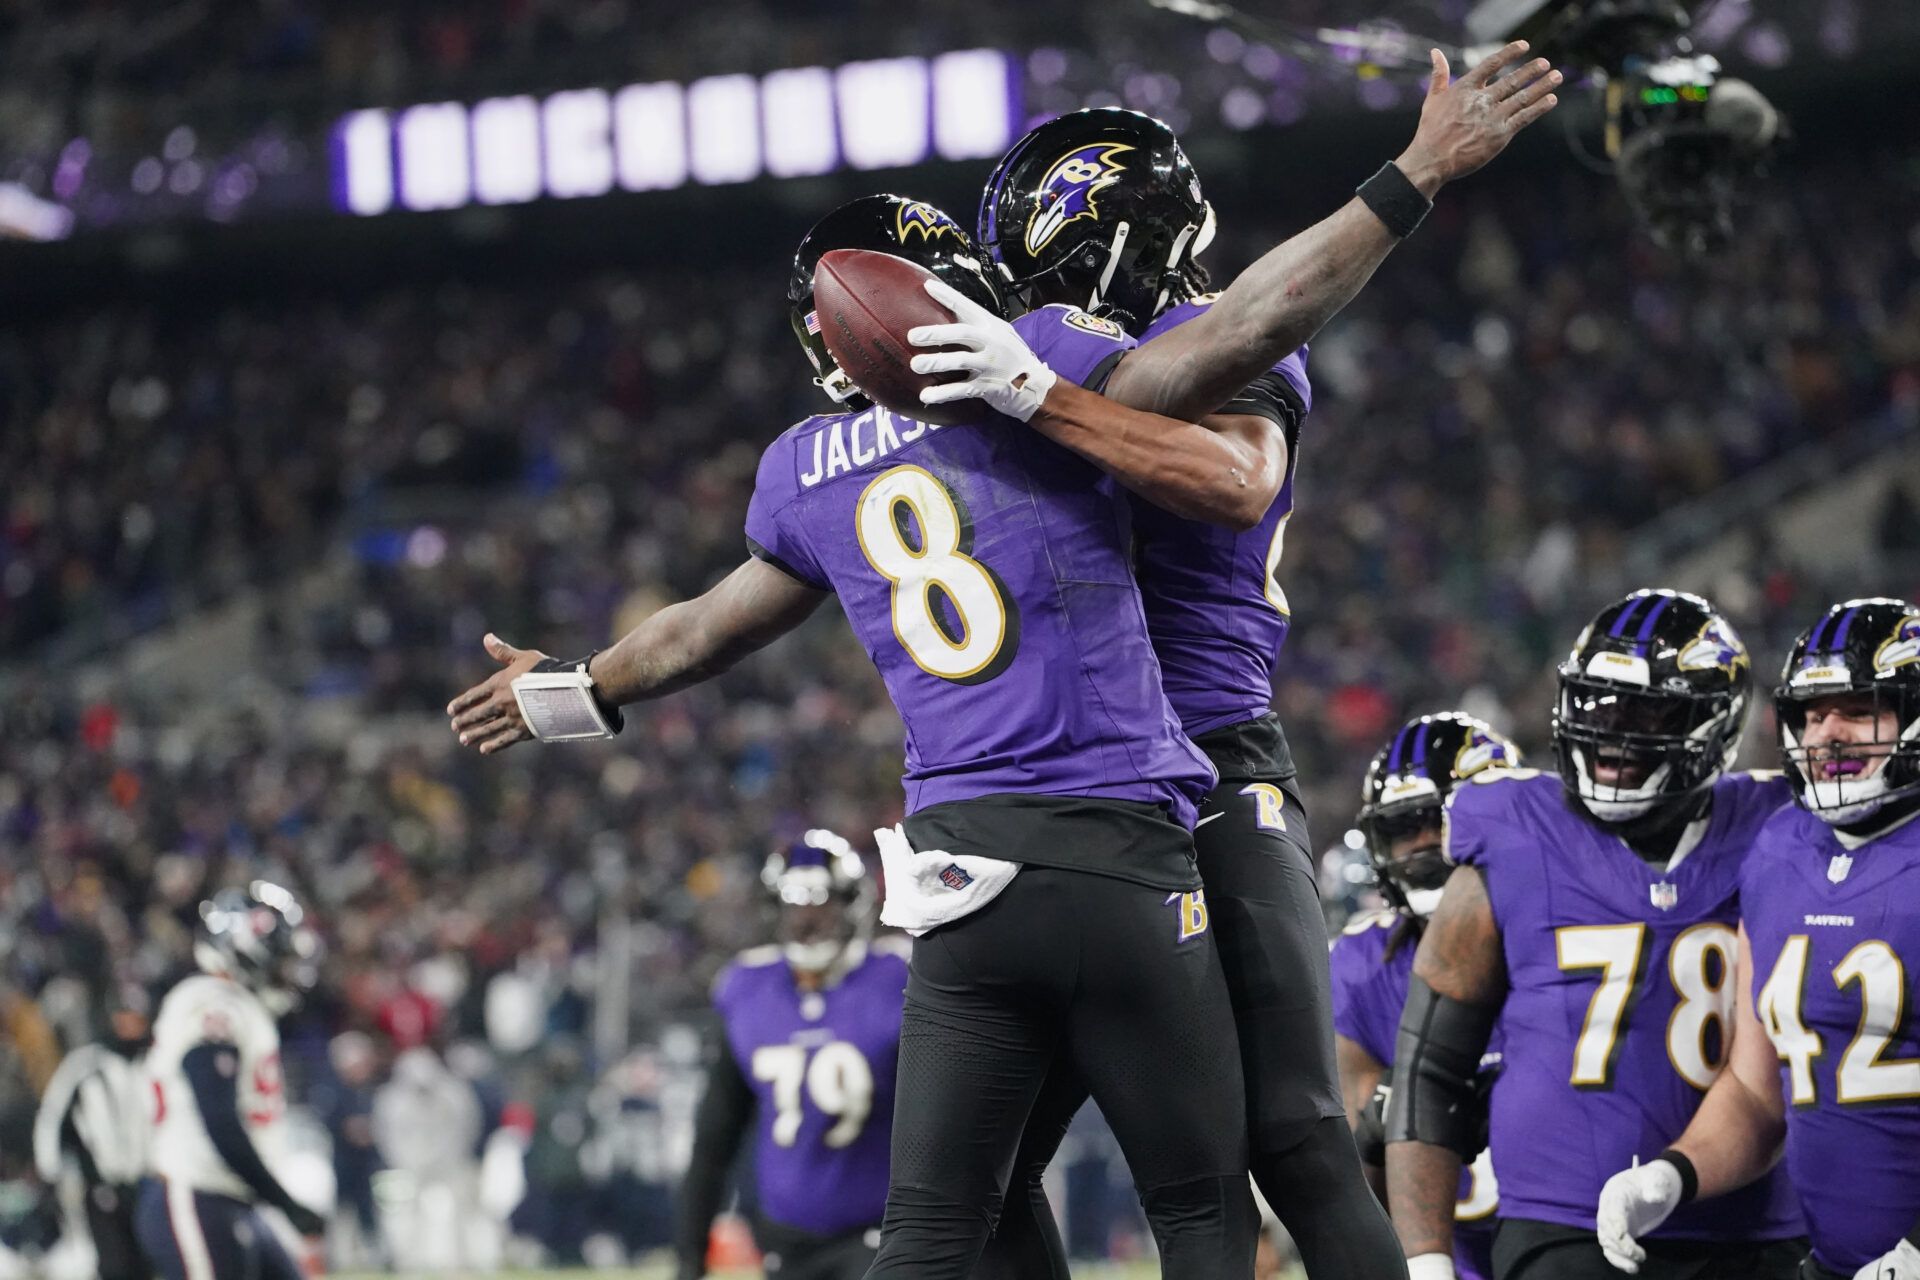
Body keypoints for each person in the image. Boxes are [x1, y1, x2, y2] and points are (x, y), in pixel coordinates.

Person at [450, 191, 1306, 1277]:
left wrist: (567, 688)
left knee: (938, 1222)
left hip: (961, 873)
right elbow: (1229, 347)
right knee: (1197, 1202)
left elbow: (703, 630)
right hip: (1122, 842)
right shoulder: (1042, 351)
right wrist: (1403, 189)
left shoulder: (807, 465)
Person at [970, 41, 1559, 1280]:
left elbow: (1236, 461)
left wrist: (1412, 173)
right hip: (1089, 790)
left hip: (1205, 764)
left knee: (1289, 1134)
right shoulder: (1074, 360)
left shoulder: (1188, 342)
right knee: (990, 1164)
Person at [1383, 589, 1806, 1280]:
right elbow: (1429, 1072)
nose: (1613, 730)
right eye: (1597, 703)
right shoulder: (1515, 831)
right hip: (1564, 1228)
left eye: (1647, 708)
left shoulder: (1780, 828)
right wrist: (1426, 1262)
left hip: (1758, 1223)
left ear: (1714, 723)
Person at [1593, 598, 1920, 1280]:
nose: (1826, 732)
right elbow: (1753, 1087)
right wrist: (1670, 1178)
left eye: (1857, 708)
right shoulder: (1779, 851)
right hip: (1834, 1265)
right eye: (1810, 711)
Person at [1330, 712, 1519, 1280]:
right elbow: (1349, 1177)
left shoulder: (1565, 936)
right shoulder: (1361, 966)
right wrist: (1386, 1116)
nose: (1421, 847)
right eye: (1401, 830)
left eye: (1436, 821)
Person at [675, 831, 904, 1280]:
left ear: (853, 906)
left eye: (823, 905)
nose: (807, 921)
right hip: (785, 1243)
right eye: (794, 905)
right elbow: (714, 1138)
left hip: (883, 1234)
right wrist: (689, 1258)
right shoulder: (748, 989)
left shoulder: (897, 979)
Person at [135, 882, 327, 1280]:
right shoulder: (214, 1001)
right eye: (282, 958)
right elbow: (218, 1117)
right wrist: (284, 1202)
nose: (289, 972)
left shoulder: (239, 1007)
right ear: (248, 946)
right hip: (196, 1190)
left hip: (230, 1196)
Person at [33, 1006, 154, 1280]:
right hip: (101, 1180)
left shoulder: (150, 1061)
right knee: (115, 1263)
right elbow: (54, 1116)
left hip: (144, 1179)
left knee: (146, 1260)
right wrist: (49, 1171)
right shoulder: (86, 1063)